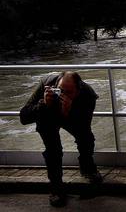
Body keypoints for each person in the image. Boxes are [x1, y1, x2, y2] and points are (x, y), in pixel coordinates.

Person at [20, 71, 103, 207]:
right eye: (60, 91)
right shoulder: (46, 84)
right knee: (53, 151)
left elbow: (84, 126)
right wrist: (43, 104)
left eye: (69, 92)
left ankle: (87, 168)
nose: (63, 95)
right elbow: (23, 117)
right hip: (47, 114)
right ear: (56, 85)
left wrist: (69, 111)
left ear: (78, 90)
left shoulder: (87, 94)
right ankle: (56, 189)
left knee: (86, 139)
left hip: (74, 115)